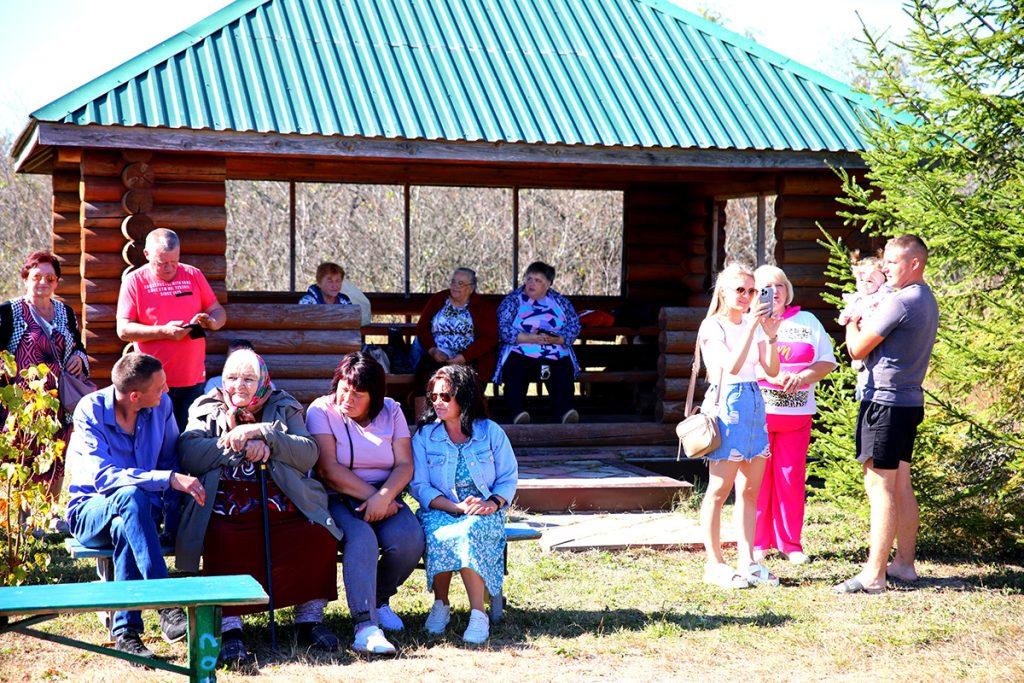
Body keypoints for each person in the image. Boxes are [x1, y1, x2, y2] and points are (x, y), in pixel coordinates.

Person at [176, 349, 342, 667]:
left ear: (264, 380)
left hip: (283, 498)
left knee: (316, 533)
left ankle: (309, 620)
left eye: (249, 379)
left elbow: (308, 452)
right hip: (226, 502)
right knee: (222, 536)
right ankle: (231, 629)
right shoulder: (207, 406)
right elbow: (189, 451)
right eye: (232, 378)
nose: (239, 385)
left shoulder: (283, 405)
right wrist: (235, 446)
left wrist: (265, 436)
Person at [65, 353, 204, 658]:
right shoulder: (90, 411)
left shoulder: (161, 407)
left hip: (138, 515)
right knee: (129, 497)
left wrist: (172, 522)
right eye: (160, 387)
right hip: (90, 511)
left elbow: (170, 460)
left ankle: (126, 635)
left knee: (125, 523)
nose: (167, 391)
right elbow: (104, 478)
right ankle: (166, 604)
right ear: (135, 396)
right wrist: (167, 479)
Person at [834, 234, 939, 595]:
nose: (885, 268)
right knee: (900, 484)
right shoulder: (925, 297)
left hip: (885, 403)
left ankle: (874, 575)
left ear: (915, 264)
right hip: (908, 402)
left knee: (879, 487)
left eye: (892, 263)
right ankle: (904, 565)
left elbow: (857, 350)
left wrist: (851, 317)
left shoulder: (901, 302)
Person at [307, 352, 424, 655]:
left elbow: (405, 465)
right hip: (338, 496)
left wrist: (384, 497)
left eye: (357, 394)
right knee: (362, 540)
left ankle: (379, 599)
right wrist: (374, 499)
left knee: (409, 540)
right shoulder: (321, 410)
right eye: (343, 389)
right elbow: (328, 470)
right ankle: (365, 627)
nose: (347, 398)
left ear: (375, 396)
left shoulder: (392, 411)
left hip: (385, 495)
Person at [411, 365, 518, 644]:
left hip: (484, 508)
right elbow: (419, 485)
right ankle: (441, 604)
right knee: (437, 532)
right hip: (442, 507)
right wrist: (454, 507)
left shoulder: (490, 432)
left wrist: (492, 503)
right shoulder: (424, 436)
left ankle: (477, 613)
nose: (437, 403)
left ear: (465, 395)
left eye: (445, 396)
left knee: (470, 531)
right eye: (433, 397)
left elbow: (508, 477)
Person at [698, 263, 781, 590]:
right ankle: (715, 563)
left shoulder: (754, 323)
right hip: (727, 404)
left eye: (752, 291)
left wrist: (771, 336)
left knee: (749, 490)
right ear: (724, 291)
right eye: (741, 290)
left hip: (754, 401)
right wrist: (751, 329)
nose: (748, 297)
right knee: (718, 490)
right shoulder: (712, 327)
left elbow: (772, 370)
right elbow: (730, 367)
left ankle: (747, 560)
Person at [752, 265, 837, 565]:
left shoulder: (808, 320)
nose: (774, 292)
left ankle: (790, 543)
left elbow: (827, 361)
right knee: (758, 480)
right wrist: (770, 376)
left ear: (788, 291)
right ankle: (757, 542)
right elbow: (739, 363)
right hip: (757, 415)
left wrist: (802, 378)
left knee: (790, 478)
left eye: (779, 286)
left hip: (796, 416)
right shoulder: (750, 322)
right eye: (766, 287)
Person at [116, 229, 227, 431]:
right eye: (161, 263)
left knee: (189, 440)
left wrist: (211, 322)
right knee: (155, 441)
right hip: (150, 383)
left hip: (192, 379)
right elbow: (123, 330)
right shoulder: (134, 281)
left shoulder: (193, 274)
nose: (169, 268)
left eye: (174, 262)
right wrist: (164, 332)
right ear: (147, 254)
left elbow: (219, 312)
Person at [0, 251, 89, 499]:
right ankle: (19, 519)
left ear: (57, 282)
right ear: (26, 278)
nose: (43, 283)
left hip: (59, 401)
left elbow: (79, 348)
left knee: (55, 455)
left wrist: (79, 360)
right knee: (20, 454)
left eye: (50, 278)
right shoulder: (9, 312)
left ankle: (46, 517)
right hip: (21, 405)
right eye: (37, 276)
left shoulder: (66, 313)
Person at [494, 261, 581, 424]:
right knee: (515, 368)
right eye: (529, 279)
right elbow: (502, 327)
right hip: (521, 349)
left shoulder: (561, 302)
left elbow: (574, 325)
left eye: (538, 280)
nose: (531, 283)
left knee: (563, 368)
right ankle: (517, 413)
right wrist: (530, 338)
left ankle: (564, 413)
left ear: (548, 284)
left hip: (555, 350)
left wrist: (559, 339)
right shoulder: (513, 300)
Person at [413, 267, 497, 416]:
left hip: (469, 357)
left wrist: (463, 357)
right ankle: (422, 421)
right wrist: (433, 350)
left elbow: (489, 338)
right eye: (453, 282)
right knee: (423, 373)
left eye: (461, 283)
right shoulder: (439, 299)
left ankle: (469, 421)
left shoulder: (482, 306)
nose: (455, 286)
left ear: (471, 288)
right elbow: (422, 327)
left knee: (470, 380)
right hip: (438, 354)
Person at [299, 261, 372, 325]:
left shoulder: (344, 301)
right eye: (330, 281)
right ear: (319, 283)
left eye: (338, 281)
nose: (334, 285)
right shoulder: (308, 301)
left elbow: (350, 324)